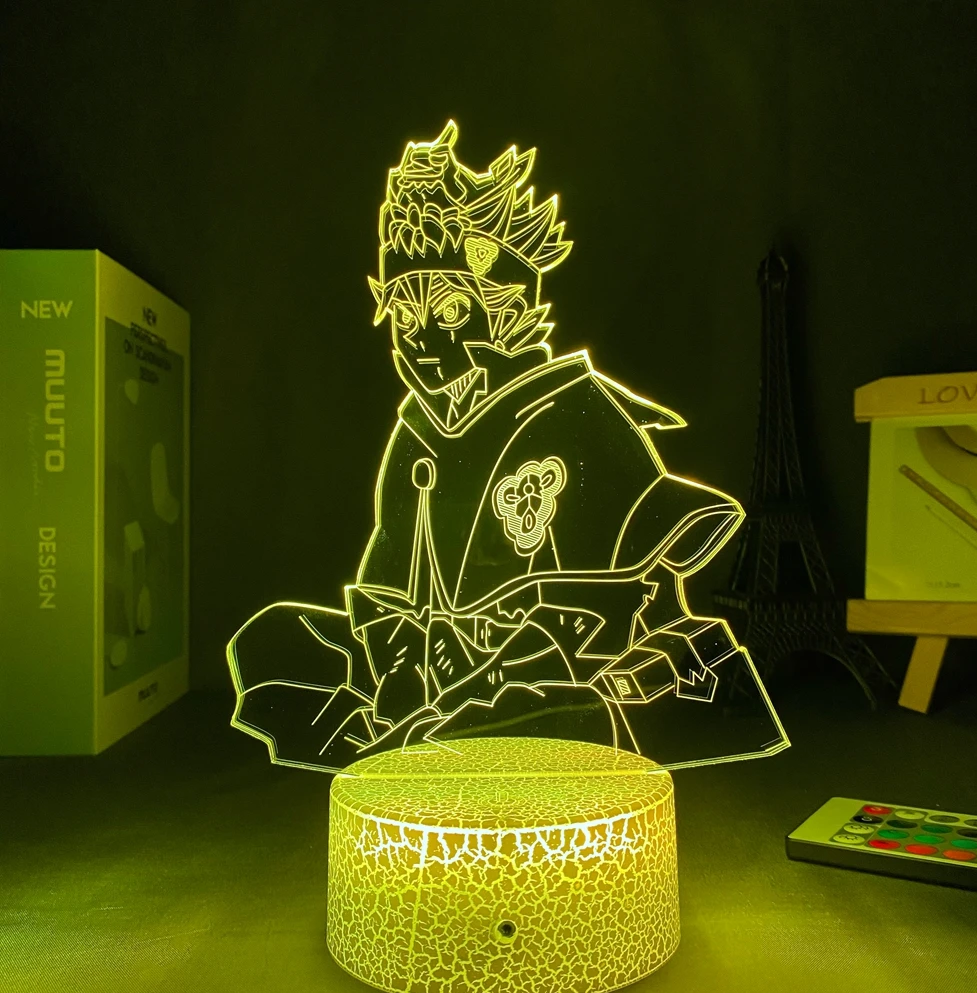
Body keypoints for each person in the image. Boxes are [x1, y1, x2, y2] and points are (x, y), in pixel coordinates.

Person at [228, 121, 789, 772]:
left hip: (551, 659)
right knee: (274, 639)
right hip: (431, 660)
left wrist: (486, 669)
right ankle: (411, 737)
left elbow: (612, 603)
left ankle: (436, 741)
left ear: (505, 307)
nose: (422, 341)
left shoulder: (577, 410)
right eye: (405, 317)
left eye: (449, 313)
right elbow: (386, 584)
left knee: (530, 713)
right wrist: (403, 669)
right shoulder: (416, 430)